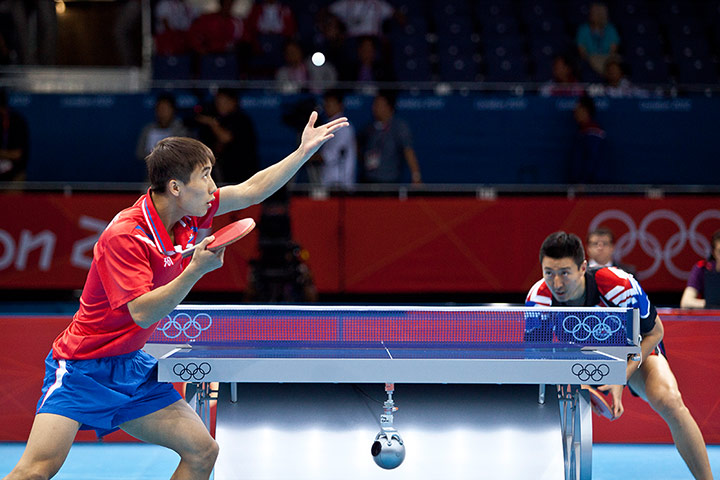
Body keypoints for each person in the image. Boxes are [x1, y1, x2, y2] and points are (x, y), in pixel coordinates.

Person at [1, 112, 348, 480]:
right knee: (36, 471)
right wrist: (194, 270)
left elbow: (251, 190)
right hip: (83, 368)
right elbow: (142, 313)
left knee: (203, 452)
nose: (214, 186)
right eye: (205, 175)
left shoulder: (186, 216)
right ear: (176, 187)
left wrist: (303, 151)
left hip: (131, 366)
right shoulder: (127, 235)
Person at [526, 231, 714, 480]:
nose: (557, 283)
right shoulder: (538, 299)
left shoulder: (618, 285)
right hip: (578, 358)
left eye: (564, 273)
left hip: (630, 350)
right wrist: (573, 381)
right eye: (548, 273)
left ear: (583, 267)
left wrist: (621, 376)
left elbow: (655, 332)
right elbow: (539, 359)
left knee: (669, 400)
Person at [194, 88, 258, 184]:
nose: (220, 105)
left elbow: (225, 138)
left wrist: (212, 123)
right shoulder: (219, 118)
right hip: (223, 170)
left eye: (224, 101)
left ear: (233, 102)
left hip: (242, 168)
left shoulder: (241, 119)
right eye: (218, 102)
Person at [359, 90, 421, 184]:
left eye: (379, 105)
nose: (374, 108)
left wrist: (416, 175)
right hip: (369, 180)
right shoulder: (369, 128)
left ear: (389, 107)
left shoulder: (399, 127)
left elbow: (408, 151)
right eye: (374, 104)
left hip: (388, 181)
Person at [315, 89, 356, 188]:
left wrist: (309, 156)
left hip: (340, 183)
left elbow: (332, 154)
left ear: (340, 105)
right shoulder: (328, 125)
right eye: (326, 102)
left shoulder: (344, 126)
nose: (327, 106)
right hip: (328, 181)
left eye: (330, 103)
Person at [136, 93, 189, 160]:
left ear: (173, 110)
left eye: (165, 108)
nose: (162, 112)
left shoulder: (182, 130)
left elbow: (184, 154)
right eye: (159, 108)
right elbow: (140, 153)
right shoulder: (148, 129)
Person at [569, 93, 607, 184]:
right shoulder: (582, 131)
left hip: (593, 186)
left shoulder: (593, 132)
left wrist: (583, 182)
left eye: (577, 109)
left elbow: (592, 158)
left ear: (585, 110)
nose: (575, 112)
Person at [576, 2, 620, 76]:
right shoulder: (583, 30)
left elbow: (613, 50)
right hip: (590, 61)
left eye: (596, 12)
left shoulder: (611, 29)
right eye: (592, 12)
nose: (593, 14)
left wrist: (605, 62)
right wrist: (593, 61)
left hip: (607, 60)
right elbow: (582, 52)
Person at [680, 229, 720, 309]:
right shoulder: (702, 268)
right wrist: (712, 303)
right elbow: (685, 302)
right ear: (714, 253)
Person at [0, 88, 29, 182]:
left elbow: (17, 154)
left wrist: (3, 154)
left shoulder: (16, 121)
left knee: (17, 180)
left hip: (13, 175)